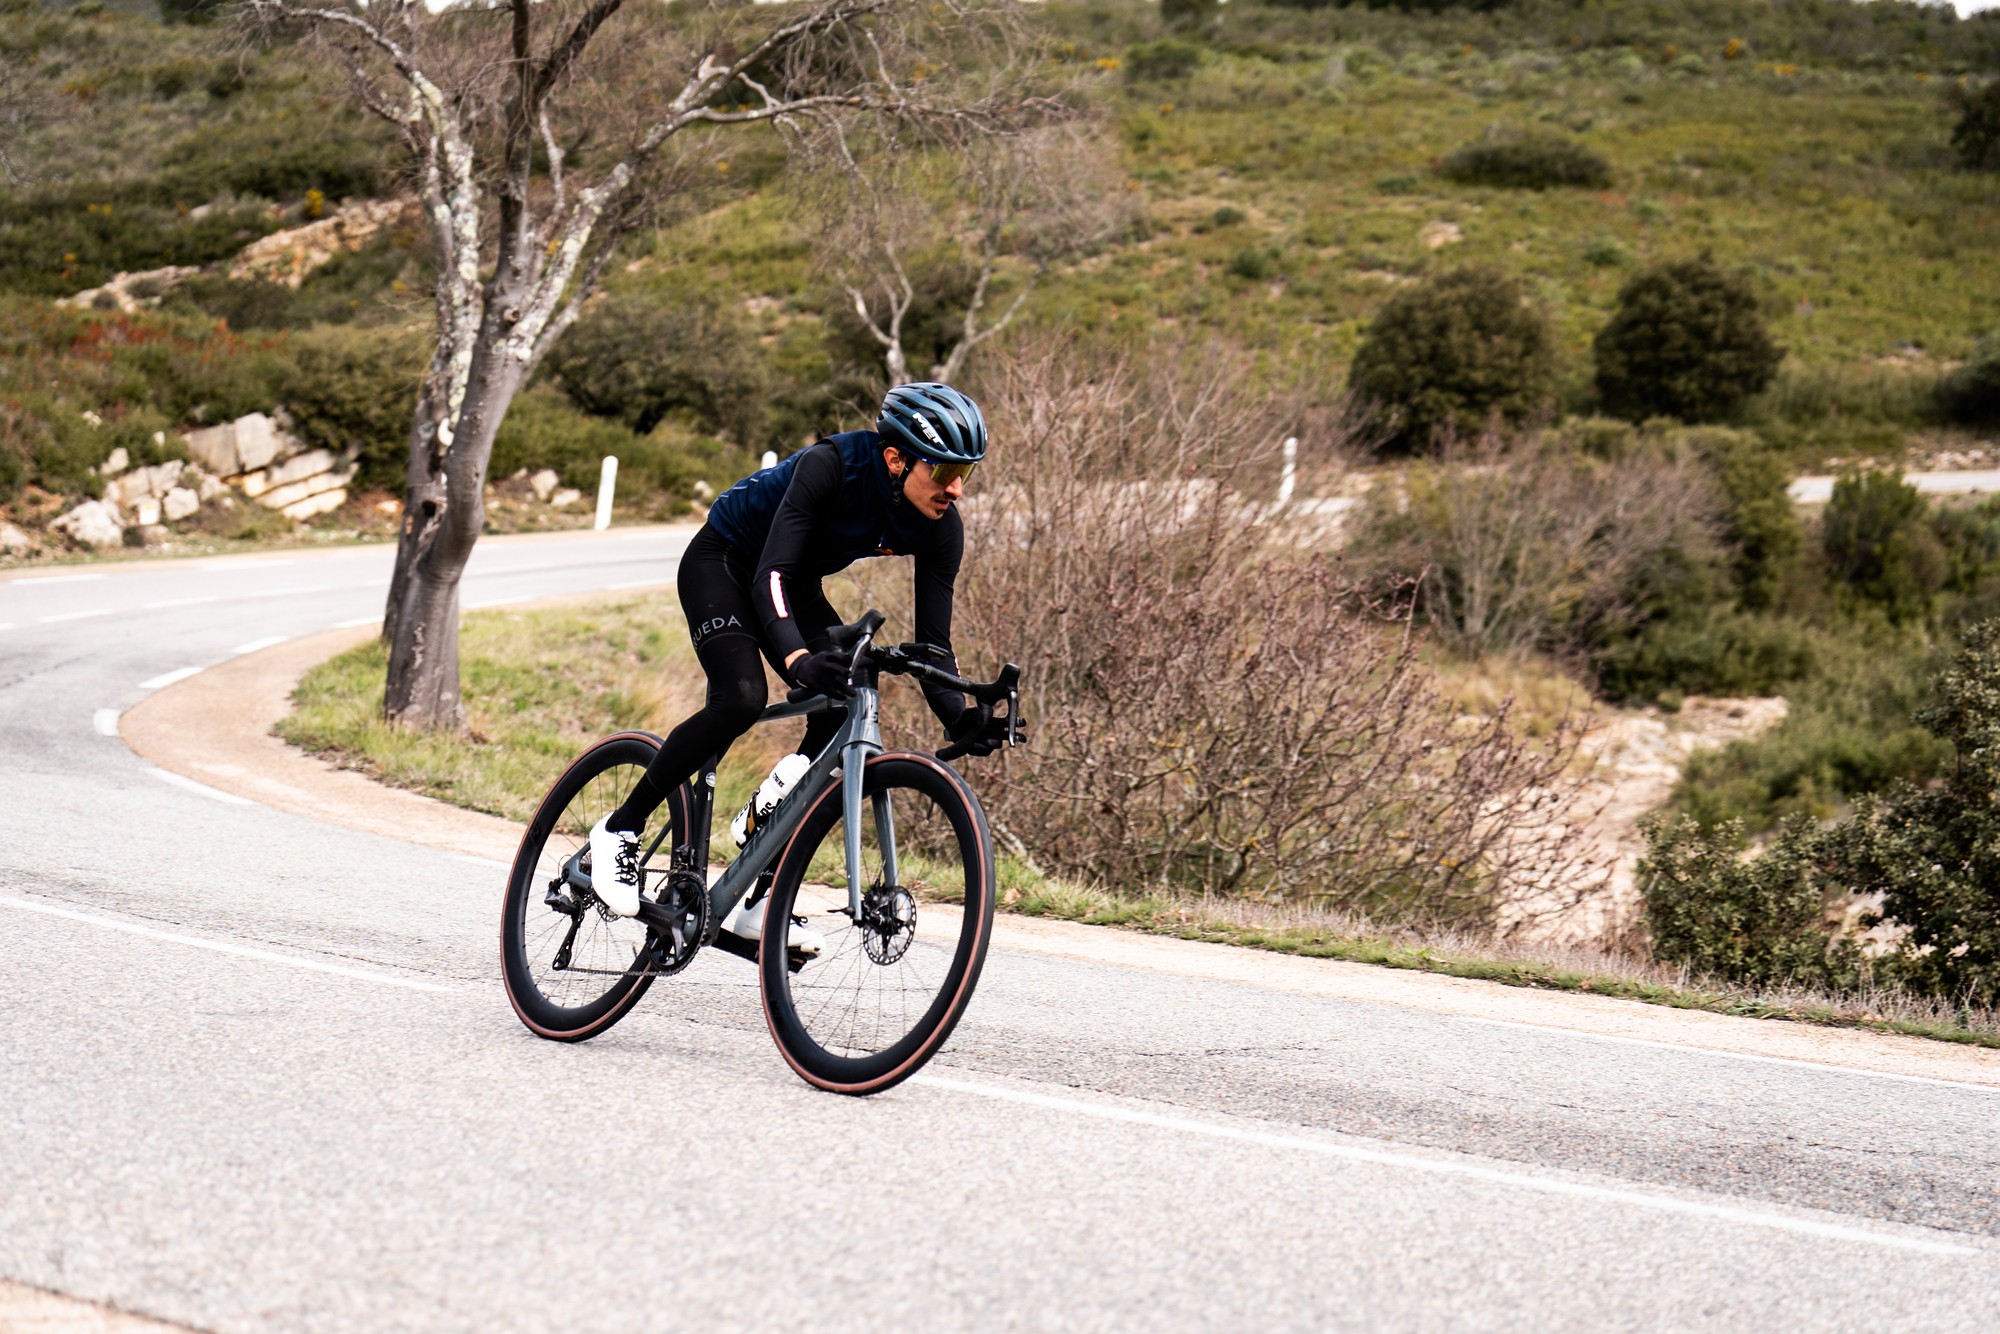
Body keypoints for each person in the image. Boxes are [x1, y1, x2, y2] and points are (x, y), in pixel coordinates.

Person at [586, 382, 1008, 950]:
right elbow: (771, 575)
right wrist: (798, 658)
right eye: (944, 471)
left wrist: (959, 716)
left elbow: (934, 643)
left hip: (793, 582)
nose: (956, 488)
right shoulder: (829, 466)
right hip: (726, 560)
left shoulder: (941, 526)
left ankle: (759, 892)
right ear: (895, 459)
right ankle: (620, 829)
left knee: (840, 709)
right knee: (740, 697)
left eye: (966, 472)